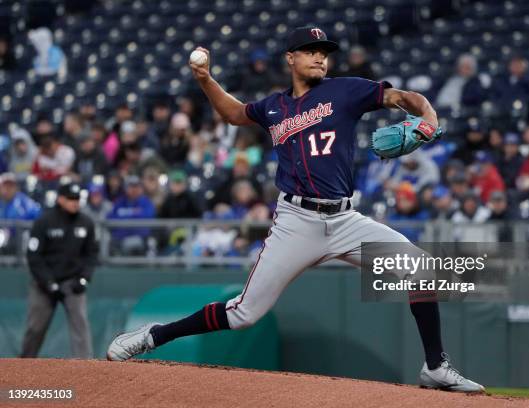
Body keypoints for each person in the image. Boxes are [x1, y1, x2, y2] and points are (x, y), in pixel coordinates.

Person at [107, 26, 484, 392]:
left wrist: (428, 119)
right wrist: (205, 79)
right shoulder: (274, 107)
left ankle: (435, 367)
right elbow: (236, 114)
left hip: (344, 219)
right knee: (243, 314)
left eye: (324, 53)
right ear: (291, 58)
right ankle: (153, 336)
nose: (321, 58)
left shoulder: (346, 90)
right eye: (312, 51)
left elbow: (405, 98)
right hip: (296, 222)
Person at [21, 182, 97, 358]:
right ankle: (24, 365)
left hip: (72, 282)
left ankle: (86, 368)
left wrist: (84, 278)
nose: (75, 202)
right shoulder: (44, 221)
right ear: (60, 199)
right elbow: (34, 256)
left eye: (77, 199)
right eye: (71, 198)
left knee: (81, 326)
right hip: (44, 284)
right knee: (35, 328)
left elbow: (92, 254)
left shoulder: (86, 223)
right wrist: (48, 282)